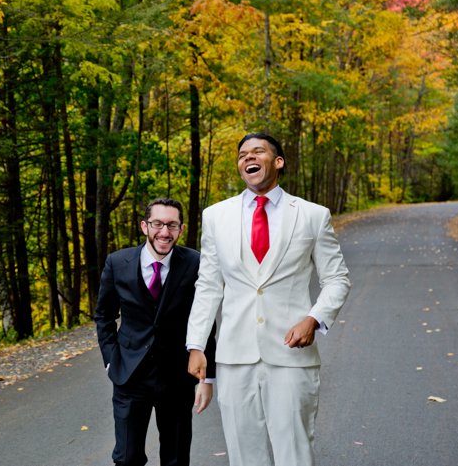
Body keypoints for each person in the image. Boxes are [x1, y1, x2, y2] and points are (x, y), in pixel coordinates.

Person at [186, 133, 351, 466]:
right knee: (245, 455)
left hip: (291, 355)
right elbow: (208, 286)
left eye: (258, 151)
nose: (249, 157)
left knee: (295, 451)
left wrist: (314, 318)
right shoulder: (216, 216)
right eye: (242, 154)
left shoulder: (312, 215)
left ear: (278, 162)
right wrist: (196, 345)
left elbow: (337, 279)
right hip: (234, 357)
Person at [96, 197, 216, 466]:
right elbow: (104, 316)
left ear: (181, 229)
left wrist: (206, 379)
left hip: (176, 377)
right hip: (129, 375)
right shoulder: (117, 263)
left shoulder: (196, 263)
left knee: (175, 458)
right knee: (127, 458)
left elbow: (206, 321)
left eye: (172, 225)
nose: (165, 232)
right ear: (144, 226)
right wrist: (110, 361)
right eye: (158, 224)